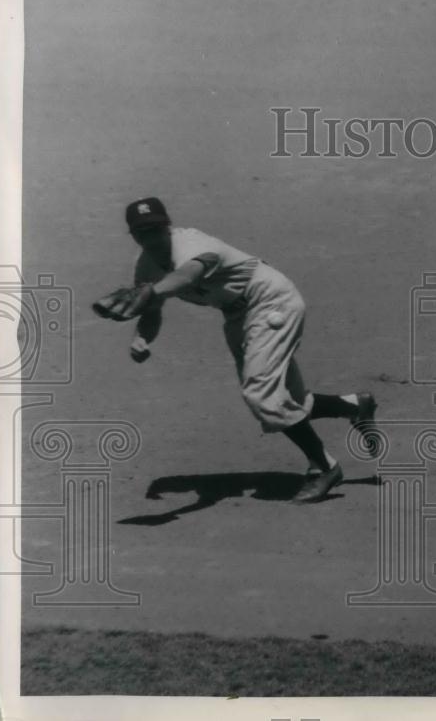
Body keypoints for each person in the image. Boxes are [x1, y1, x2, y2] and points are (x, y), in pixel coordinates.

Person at [117, 196, 377, 503]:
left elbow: (186, 276)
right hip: (237, 316)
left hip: (270, 302)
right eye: (143, 232)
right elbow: (151, 311)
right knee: (288, 400)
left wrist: (152, 291)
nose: (151, 237)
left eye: (156, 229)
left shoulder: (191, 244)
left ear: (168, 227)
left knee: (262, 394)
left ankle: (324, 467)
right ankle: (352, 406)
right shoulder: (146, 265)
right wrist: (142, 338)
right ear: (134, 236)